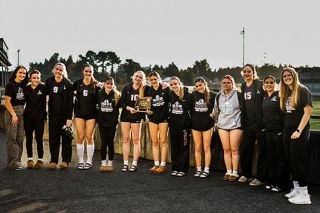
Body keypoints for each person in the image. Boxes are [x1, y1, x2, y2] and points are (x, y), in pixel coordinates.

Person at [279, 67, 312, 205]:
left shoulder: (303, 90)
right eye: (284, 76)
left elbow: (308, 112)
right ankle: (297, 189)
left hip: (299, 131)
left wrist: (298, 131)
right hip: (288, 130)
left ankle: (304, 195)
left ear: (294, 75)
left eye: (289, 75)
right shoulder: (286, 92)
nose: (287, 77)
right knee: (291, 161)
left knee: (298, 161)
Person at [239, 64, 267, 186]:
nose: (246, 73)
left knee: (262, 150)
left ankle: (261, 177)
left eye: (249, 71)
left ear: (253, 72)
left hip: (259, 123)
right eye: (244, 71)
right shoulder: (243, 86)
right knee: (245, 149)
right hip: (247, 123)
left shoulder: (260, 84)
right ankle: (247, 174)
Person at [45, 62, 73, 170]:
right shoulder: (49, 82)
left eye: (61, 70)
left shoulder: (68, 84)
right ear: (54, 70)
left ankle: (66, 161)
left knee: (66, 139)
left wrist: (69, 119)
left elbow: (71, 103)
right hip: (53, 116)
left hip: (65, 117)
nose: (58, 71)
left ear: (64, 72)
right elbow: (44, 94)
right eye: (57, 69)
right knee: (54, 138)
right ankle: (53, 160)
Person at [214, 75, 242, 181]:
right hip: (223, 126)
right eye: (224, 82)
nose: (226, 84)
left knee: (234, 149)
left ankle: (235, 173)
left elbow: (243, 110)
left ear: (232, 83)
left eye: (228, 82)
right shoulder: (218, 96)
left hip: (236, 125)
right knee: (226, 150)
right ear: (222, 84)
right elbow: (216, 112)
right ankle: (228, 171)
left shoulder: (238, 95)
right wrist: (216, 122)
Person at [261, 75, 286, 192]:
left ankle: (280, 184)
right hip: (268, 132)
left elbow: (286, 114)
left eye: (271, 82)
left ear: (275, 84)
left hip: (279, 132)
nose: (269, 84)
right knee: (271, 157)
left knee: (280, 158)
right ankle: (271, 181)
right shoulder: (264, 97)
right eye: (267, 82)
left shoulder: (280, 96)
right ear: (264, 85)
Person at [73, 64, 99, 170]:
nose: (88, 73)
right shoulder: (77, 83)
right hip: (79, 114)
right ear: (83, 71)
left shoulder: (96, 85)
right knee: (80, 137)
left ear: (92, 72)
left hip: (91, 115)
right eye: (86, 71)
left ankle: (89, 161)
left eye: (90, 71)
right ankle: (80, 161)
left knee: (89, 137)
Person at [120, 70, 146, 172]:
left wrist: (165, 85)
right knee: (126, 139)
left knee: (136, 140)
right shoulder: (126, 88)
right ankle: (125, 163)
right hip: (125, 117)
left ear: (142, 79)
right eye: (136, 76)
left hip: (137, 117)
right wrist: (129, 108)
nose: (138, 79)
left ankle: (134, 163)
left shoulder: (144, 89)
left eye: (140, 77)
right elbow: (121, 103)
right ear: (133, 77)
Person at [145, 72, 170, 174]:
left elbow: (170, 101)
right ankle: (156, 163)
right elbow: (146, 104)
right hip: (153, 118)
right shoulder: (148, 90)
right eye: (151, 80)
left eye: (155, 79)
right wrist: (148, 111)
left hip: (163, 118)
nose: (154, 81)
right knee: (155, 142)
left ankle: (163, 165)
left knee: (163, 141)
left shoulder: (165, 88)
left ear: (159, 79)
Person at [4, 65, 29, 171]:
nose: (22, 75)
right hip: (12, 112)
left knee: (20, 138)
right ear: (16, 73)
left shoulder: (23, 85)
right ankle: (12, 163)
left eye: (24, 73)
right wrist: (13, 115)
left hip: (21, 112)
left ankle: (18, 161)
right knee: (12, 138)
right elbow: (7, 102)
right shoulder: (10, 85)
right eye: (20, 72)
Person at [191, 77, 216, 178]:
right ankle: (198, 169)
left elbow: (219, 107)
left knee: (206, 147)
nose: (198, 87)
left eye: (200, 85)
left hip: (207, 124)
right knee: (197, 147)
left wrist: (215, 113)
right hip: (195, 124)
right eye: (196, 86)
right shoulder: (193, 95)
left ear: (205, 84)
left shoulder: (213, 95)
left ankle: (206, 169)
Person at [168, 76, 191, 177]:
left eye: (175, 84)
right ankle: (175, 168)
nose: (173, 86)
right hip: (173, 126)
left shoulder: (188, 95)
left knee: (184, 148)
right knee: (174, 148)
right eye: (171, 85)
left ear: (179, 83)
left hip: (184, 128)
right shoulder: (170, 94)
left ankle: (183, 169)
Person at [24, 70, 47, 169]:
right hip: (28, 117)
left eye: (38, 78)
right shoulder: (26, 88)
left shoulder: (44, 87)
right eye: (34, 78)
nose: (36, 80)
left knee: (39, 138)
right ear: (30, 78)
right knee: (29, 138)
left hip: (40, 117)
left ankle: (40, 160)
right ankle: (30, 159)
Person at [97, 77, 121, 172]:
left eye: (111, 84)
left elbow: (120, 108)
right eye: (108, 83)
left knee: (110, 143)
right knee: (103, 143)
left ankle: (110, 163)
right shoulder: (99, 94)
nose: (109, 85)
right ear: (104, 84)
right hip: (102, 122)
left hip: (112, 123)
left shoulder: (117, 94)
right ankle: (103, 163)